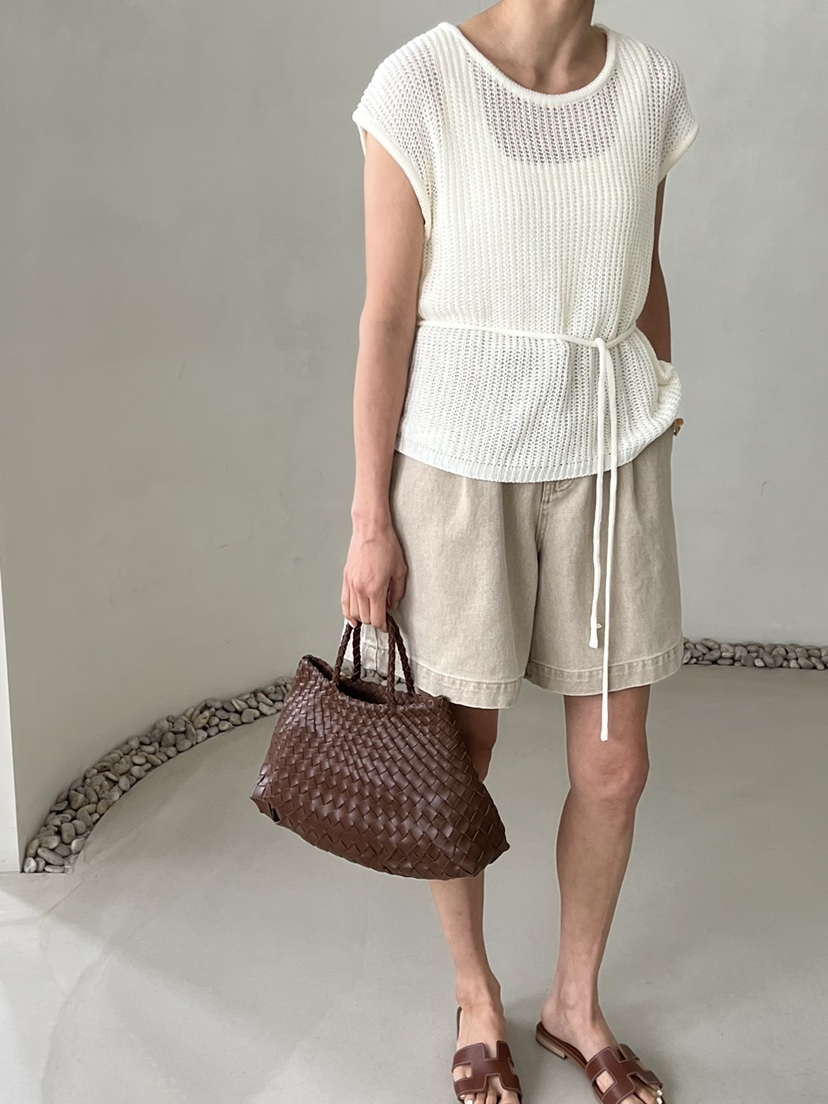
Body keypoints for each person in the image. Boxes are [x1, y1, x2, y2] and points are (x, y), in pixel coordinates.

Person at [343, 2, 699, 1102]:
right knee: (458, 758)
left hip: (609, 459)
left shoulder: (649, 88)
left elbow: (641, 272)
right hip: (459, 465)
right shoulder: (421, 83)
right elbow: (388, 317)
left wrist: (659, 399)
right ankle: (477, 995)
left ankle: (574, 1004)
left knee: (615, 765)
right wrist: (370, 518)